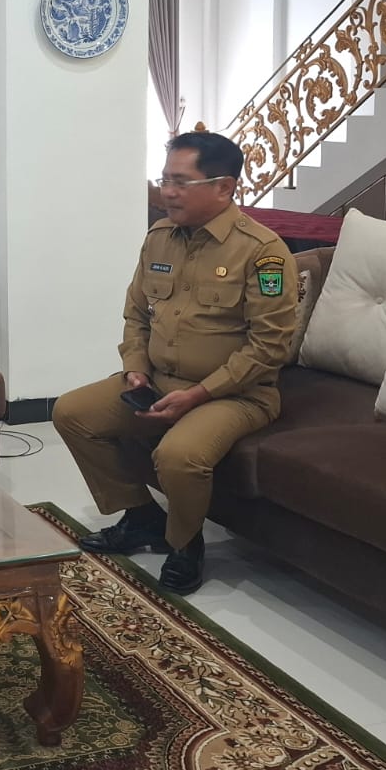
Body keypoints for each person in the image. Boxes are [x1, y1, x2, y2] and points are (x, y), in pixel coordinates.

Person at [53, 131, 297, 596]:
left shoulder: (262, 252)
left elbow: (269, 347)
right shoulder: (159, 237)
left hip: (236, 394)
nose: (167, 192)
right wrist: (136, 368)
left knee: (178, 456)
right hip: (159, 380)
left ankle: (185, 544)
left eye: (181, 182)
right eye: (164, 179)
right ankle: (141, 516)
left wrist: (199, 394)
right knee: (72, 412)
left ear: (224, 187)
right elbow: (136, 314)